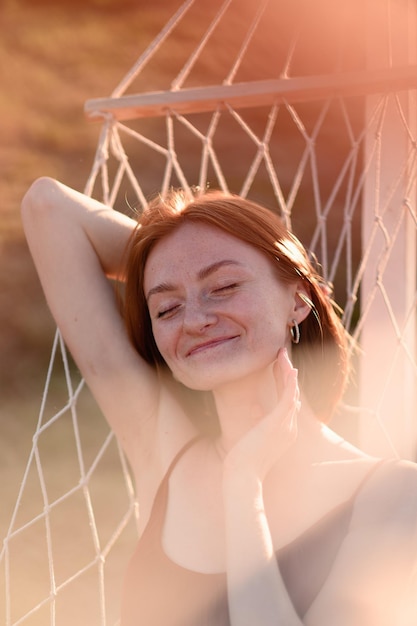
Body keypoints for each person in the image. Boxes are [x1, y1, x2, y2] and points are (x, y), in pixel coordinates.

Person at [22, 177, 417, 626]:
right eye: (166, 308)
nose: (194, 320)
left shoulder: (395, 495)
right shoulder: (165, 452)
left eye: (225, 286)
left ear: (301, 299)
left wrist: (243, 487)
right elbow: (47, 207)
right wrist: (178, 250)